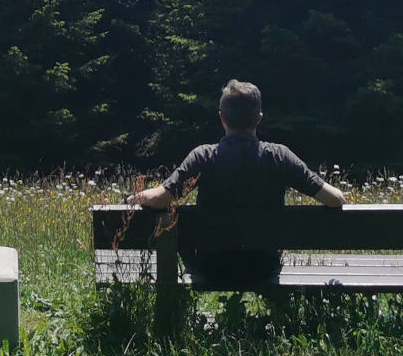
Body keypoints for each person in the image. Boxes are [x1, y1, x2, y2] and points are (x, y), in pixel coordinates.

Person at [124, 79, 344, 284]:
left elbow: (162, 198)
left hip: (212, 268)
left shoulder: (202, 157)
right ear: (259, 118)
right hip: (263, 268)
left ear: (222, 118)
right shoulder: (280, 156)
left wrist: (132, 198)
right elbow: (335, 200)